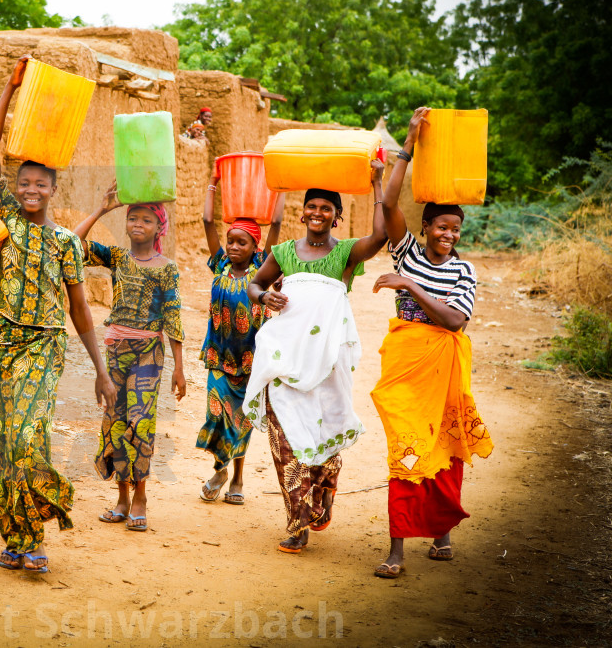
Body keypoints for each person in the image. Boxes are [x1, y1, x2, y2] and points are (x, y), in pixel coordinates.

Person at [0, 56, 117, 574]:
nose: (30, 190)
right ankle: (14, 539)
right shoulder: (6, 218)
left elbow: (80, 311)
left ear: (55, 189)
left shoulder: (64, 244)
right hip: (4, 342)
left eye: (41, 184)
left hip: (43, 345)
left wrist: (101, 373)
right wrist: (10, 89)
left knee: (28, 437)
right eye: (24, 183)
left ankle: (35, 535)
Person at [370, 107, 494, 578]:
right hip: (404, 365)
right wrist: (409, 143)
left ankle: (441, 530)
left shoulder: (465, 270)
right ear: (425, 228)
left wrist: (411, 287)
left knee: (445, 447)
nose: (449, 235)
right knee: (405, 447)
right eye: (441, 227)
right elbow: (388, 205)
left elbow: (455, 322)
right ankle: (396, 548)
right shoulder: (404, 249)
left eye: (455, 229)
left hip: (444, 368)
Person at [245, 161, 387, 554]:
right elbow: (254, 282)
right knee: (285, 439)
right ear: (303, 212)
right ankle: (296, 524)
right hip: (284, 356)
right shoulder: (284, 252)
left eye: (327, 209)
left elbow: (381, 234)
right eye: (312, 207)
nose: (318, 214)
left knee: (323, 433)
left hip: (327, 362)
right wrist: (263, 296)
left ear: (337, 217)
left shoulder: (345, 254)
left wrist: (377, 182)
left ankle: (324, 487)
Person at [73, 182, 185, 533]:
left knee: (141, 423)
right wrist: (102, 209)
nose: (138, 223)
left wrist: (179, 367)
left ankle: (141, 498)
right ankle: (122, 499)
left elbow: (173, 316)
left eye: (146, 220)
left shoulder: (166, 268)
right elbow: (72, 246)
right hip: (115, 351)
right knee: (114, 423)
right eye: (133, 217)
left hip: (148, 352)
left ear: (158, 228)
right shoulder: (118, 257)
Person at [197, 166, 285, 505]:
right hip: (219, 357)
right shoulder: (219, 264)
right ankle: (220, 468)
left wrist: (280, 188)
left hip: (251, 360)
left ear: (255, 246)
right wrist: (213, 183)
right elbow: (207, 222)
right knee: (217, 416)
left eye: (241, 242)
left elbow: (275, 225)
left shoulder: (262, 270)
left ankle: (237, 479)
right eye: (231, 240)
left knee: (243, 421)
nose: (233, 247)